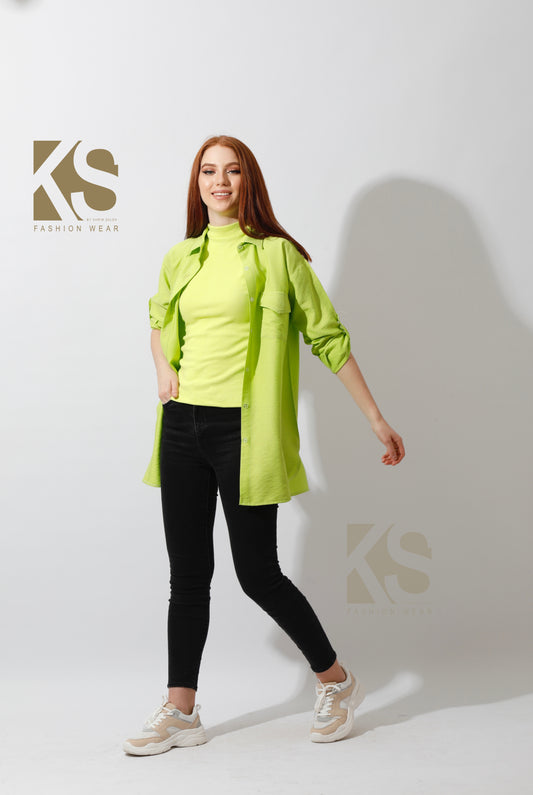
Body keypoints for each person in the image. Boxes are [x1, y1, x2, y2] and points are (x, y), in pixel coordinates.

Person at [123, 135, 405, 756]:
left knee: (258, 574)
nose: (219, 181)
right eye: (208, 171)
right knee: (187, 577)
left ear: (248, 181)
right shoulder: (181, 257)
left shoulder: (279, 257)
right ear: (197, 183)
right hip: (181, 428)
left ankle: (337, 681)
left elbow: (329, 337)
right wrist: (163, 370)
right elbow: (158, 320)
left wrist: (376, 418)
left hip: (245, 433)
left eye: (232, 171)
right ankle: (181, 710)